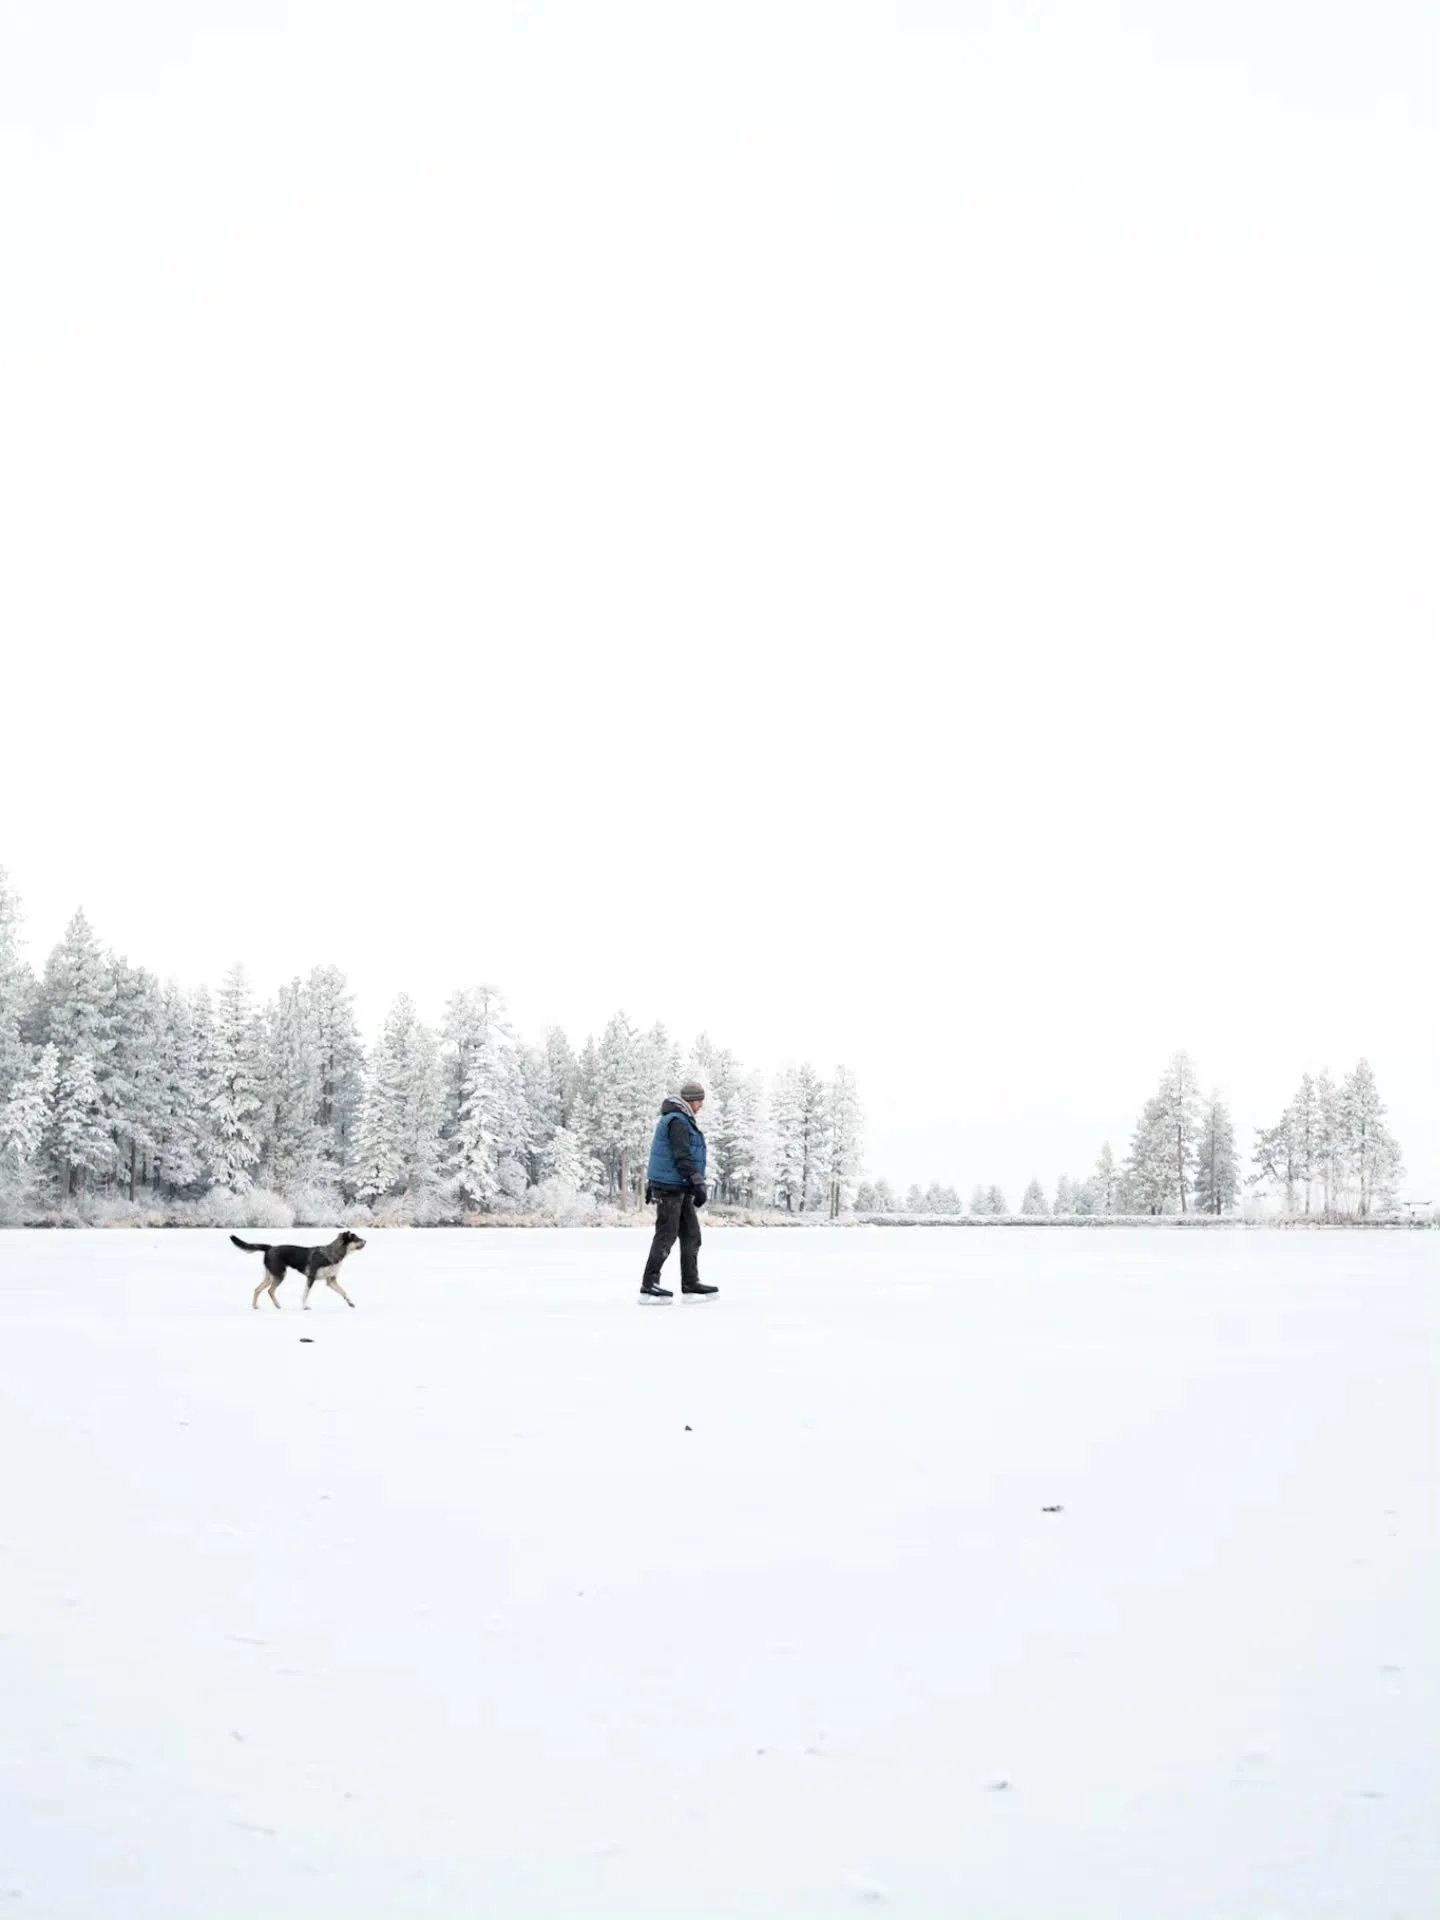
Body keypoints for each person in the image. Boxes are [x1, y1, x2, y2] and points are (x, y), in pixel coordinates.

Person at [639, 1080, 718, 1301]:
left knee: (692, 1234)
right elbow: (680, 1155)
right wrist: (697, 1182)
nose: (701, 1105)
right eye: (699, 1100)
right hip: (670, 1188)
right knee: (666, 1235)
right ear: (691, 1101)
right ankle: (649, 1283)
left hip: (678, 1185)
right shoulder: (677, 1121)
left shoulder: (682, 1119)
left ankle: (690, 1282)